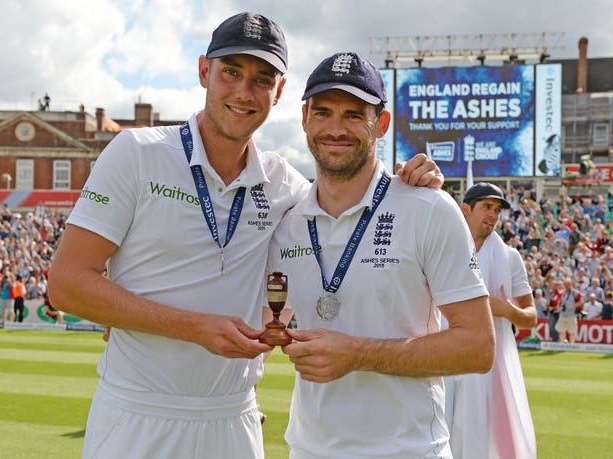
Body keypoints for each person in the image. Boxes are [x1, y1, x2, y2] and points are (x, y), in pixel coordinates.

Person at [47, 14, 442, 459]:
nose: (243, 91)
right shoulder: (136, 153)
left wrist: (413, 180)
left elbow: (349, 198)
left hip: (234, 419)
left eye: (261, 79)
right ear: (204, 72)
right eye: (231, 72)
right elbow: (66, 284)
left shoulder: (285, 186)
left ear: (279, 92)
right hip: (136, 412)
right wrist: (193, 328)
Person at [267, 52, 495, 458]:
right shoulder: (286, 221)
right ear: (304, 119)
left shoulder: (429, 208)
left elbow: (478, 346)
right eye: (323, 112)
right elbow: (265, 324)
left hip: (407, 450)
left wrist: (358, 353)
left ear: (382, 124)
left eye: (354, 115)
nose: (335, 129)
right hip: (308, 450)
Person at [444, 182, 538, 459]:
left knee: (484, 440)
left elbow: (530, 317)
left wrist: (506, 310)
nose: (493, 215)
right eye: (486, 206)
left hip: (490, 364)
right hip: (444, 355)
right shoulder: (443, 251)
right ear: (465, 209)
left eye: (497, 209)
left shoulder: (510, 257)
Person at [557, 277, 582, 343]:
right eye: (565, 284)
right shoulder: (562, 293)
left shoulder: (575, 293)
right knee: (561, 331)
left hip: (571, 315)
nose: (566, 285)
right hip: (563, 314)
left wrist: (573, 306)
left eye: (568, 284)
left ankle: (572, 346)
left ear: (571, 284)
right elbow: (560, 302)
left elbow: (581, 301)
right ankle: (562, 344)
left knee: (572, 331)